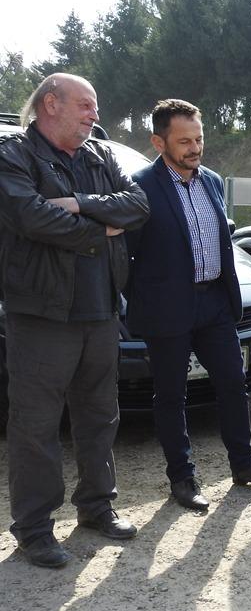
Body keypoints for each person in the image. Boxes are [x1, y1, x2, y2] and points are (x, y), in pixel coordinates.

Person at [0, 73, 149, 567]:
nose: (94, 115)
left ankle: (96, 507)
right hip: (42, 314)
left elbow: (138, 205)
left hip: (101, 309)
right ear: (50, 104)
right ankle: (34, 528)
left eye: (95, 107)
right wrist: (100, 229)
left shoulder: (100, 154)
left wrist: (80, 204)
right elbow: (31, 217)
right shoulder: (13, 155)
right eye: (85, 105)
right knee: (36, 424)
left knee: (100, 415)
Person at [126, 99, 251, 512]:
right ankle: (182, 478)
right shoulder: (140, 186)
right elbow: (126, 253)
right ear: (159, 142)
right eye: (184, 141)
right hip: (168, 309)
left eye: (199, 139)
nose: (195, 148)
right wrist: (146, 297)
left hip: (214, 302)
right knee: (171, 395)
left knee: (233, 383)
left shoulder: (212, 180)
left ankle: (244, 465)